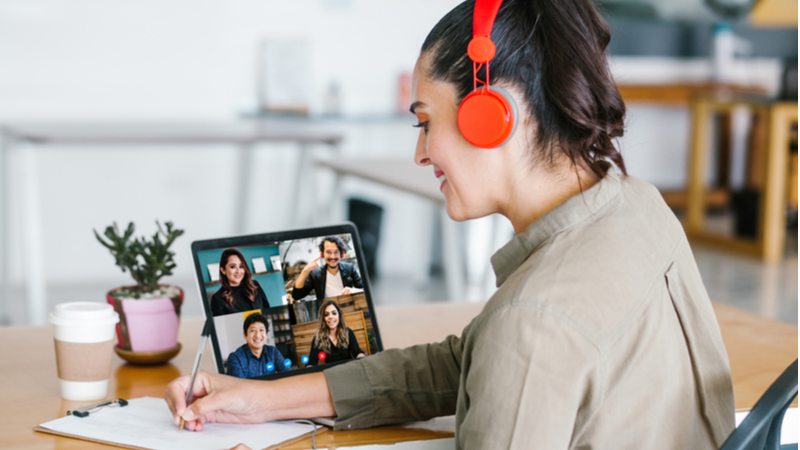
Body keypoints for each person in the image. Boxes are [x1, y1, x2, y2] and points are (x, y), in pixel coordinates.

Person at [165, 1, 735, 448]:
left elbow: (516, 346)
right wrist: (261, 401)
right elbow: (472, 361)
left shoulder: (533, 323)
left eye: (424, 122)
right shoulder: (637, 205)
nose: (420, 153)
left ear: (493, 115)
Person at [291, 236, 363, 301]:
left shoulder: (349, 268)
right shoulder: (315, 273)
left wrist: (354, 290)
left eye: (336, 252)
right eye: (328, 252)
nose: (332, 256)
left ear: (341, 254)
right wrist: (305, 270)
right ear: (322, 254)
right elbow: (297, 295)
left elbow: (363, 288)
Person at [226, 313, 290, 378]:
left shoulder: (272, 352)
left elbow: (288, 375)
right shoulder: (236, 358)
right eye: (253, 330)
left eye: (261, 330)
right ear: (245, 335)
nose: (257, 335)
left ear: (266, 334)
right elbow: (239, 386)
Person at [210, 249, 271, 316]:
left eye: (241, 266)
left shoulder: (255, 285)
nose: (238, 271)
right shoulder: (217, 299)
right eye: (233, 267)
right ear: (223, 270)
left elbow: (267, 313)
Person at [306, 300, 365, 365]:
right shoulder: (318, 338)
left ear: (339, 316)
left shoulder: (348, 332)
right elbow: (312, 361)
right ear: (323, 318)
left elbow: (357, 352)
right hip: (331, 373)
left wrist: (363, 358)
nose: (330, 317)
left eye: (334, 313)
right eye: (326, 314)